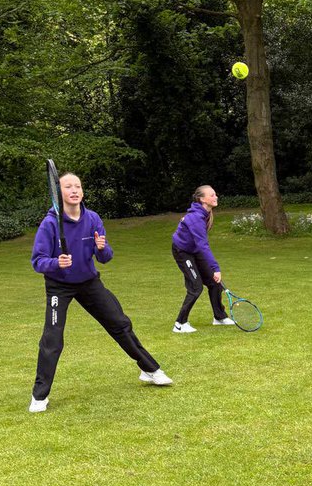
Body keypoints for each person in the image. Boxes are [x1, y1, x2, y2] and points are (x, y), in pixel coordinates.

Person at [29, 172, 172, 412]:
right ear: (58, 193)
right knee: (52, 339)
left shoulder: (93, 218)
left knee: (119, 323)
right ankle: (39, 396)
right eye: (68, 187)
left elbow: (105, 258)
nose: (74, 190)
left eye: (78, 186)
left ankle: (149, 370)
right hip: (59, 285)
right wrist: (56, 264)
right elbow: (38, 261)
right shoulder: (50, 223)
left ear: (82, 192)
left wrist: (102, 248)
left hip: (88, 282)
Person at [171, 185, 234, 332]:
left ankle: (219, 317)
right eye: (211, 195)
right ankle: (180, 324)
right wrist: (215, 268)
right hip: (183, 252)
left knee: (215, 283)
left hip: (194, 250)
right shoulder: (196, 218)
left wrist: (214, 272)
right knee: (196, 287)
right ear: (202, 199)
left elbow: (200, 246)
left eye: (215, 194)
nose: (215, 197)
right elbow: (203, 245)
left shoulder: (204, 213)